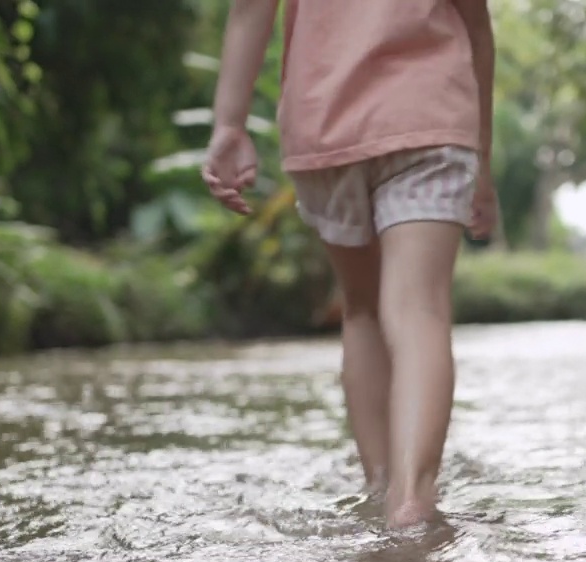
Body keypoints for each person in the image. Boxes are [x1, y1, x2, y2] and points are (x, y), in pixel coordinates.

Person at [202, 0, 497, 529]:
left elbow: (250, 8)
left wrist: (230, 123)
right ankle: (411, 500)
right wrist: (485, 157)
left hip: (327, 121)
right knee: (419, 310)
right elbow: (475, 22)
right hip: (429, 114)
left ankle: (380, 484)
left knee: (362, 311)